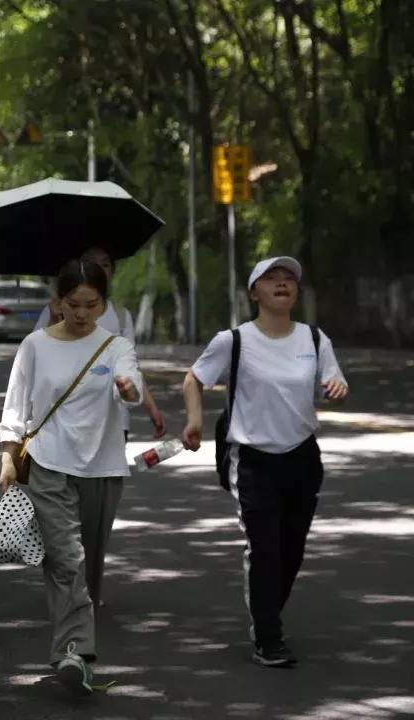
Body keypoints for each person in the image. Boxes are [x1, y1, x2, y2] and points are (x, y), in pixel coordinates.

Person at [181, 256, 348, 668]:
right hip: (252, 458)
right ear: (254, 292)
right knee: (265, 548)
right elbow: (194, 380)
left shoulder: (313, 339)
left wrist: (337, 386)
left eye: (289, 277)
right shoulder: (234, 340)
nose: (282, 283)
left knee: (292, 550)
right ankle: (268, 636)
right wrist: (195, 421)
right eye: (271, 278)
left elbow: (333, 381)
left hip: (302, 456)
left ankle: (266, 611)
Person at [0, 259, 142, 696]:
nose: (81, 314)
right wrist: (8, 457)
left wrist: (128, 389)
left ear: (103, 304)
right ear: (58, 303)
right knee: (66, 558)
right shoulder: (35, 345)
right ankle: (73, 653)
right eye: (72, 304)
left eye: (91, 305)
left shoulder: (116, 346)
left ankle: (78, 628)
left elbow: (132, 383)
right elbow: (15, 405)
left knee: (89, 562)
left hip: (102, 467)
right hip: (47, 463)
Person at [33, 245, 165, 606]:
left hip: (108, 429)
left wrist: (148, 406)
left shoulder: (120, 317)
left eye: (107, 264)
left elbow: (131, 370)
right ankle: (67, 584)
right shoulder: (52, 314)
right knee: (61, 520)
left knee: (95, 523)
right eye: (93, 264)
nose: (100, 269)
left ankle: (88, 587)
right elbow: (34, 370)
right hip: (57, 431)